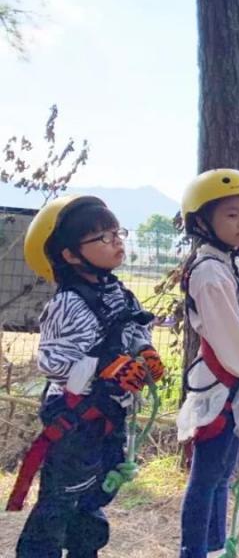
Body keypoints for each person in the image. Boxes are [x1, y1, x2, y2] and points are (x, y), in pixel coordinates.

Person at [11, 195, 163, 557]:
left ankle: (85, 550)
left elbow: (136, 330)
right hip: (74, 415)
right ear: (69, 254)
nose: (117, 241)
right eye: (103, 237)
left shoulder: (119, 293)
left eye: (117, 232)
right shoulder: (67, 303)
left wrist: (146, 353)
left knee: (94, 492)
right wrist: (103, 368)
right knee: (62, 497)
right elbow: (52, 362)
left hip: (108, 414)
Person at [177, 169, 239, 558]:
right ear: (203, 221)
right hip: (223, 385)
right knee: (207, 477)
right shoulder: (208, 271)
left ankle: (215, 549)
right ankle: (195, 551)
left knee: (221, 475)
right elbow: (228, 336)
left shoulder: (230, 264)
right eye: (232, 215)